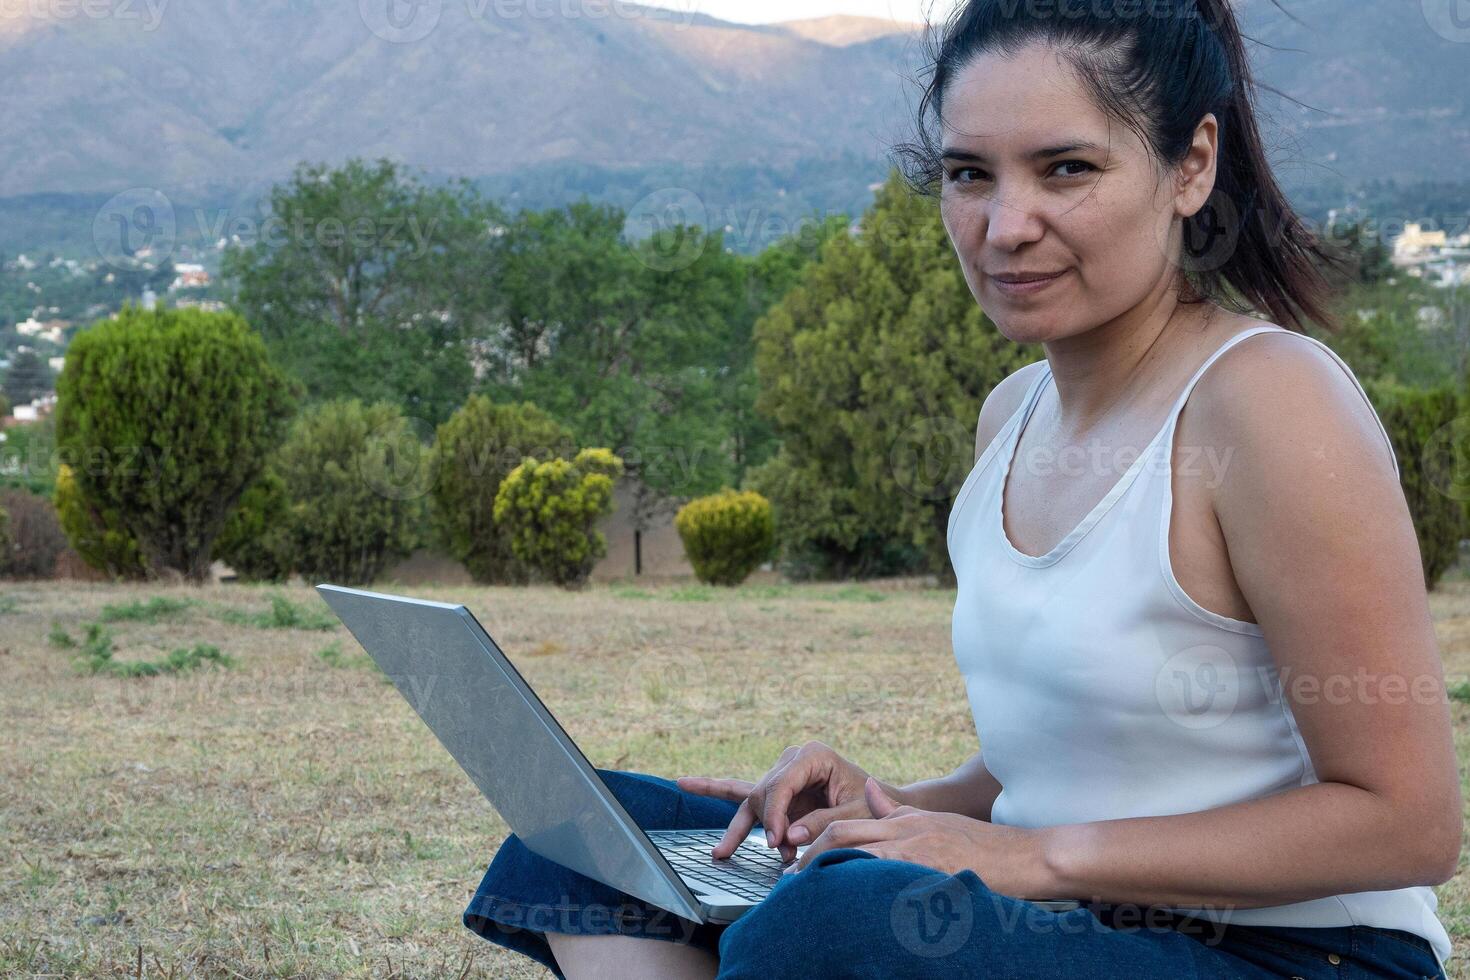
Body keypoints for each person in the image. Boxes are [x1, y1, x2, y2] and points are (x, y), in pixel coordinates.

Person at [462, 1, 1462, 976]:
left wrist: (1033, 858)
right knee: (581, 833)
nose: (1005, 224)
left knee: (835, 924)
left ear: (1190, 166)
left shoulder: (1267, 403)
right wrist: (893, 804)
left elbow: (1407, 822)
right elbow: (1074, 758)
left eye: (1066, 168)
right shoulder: (1012, 414)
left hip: (1290, 949)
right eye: (969, 174)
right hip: (1066, 921)